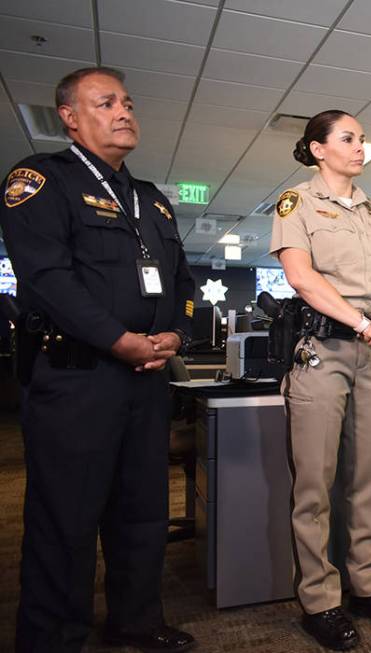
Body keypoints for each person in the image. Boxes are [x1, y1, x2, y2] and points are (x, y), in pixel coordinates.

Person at [0, 67, 196, 652]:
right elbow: (50, 280)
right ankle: (54, 637)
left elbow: (183, 281)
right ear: (69, 115)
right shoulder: (40, 180)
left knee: (142, 511)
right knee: (67, 518)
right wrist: (118, 339)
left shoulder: (151, 200)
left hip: (146, 378)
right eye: (106, 101)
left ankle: (135, 619)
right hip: (77, 376)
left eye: (128, 102)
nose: (124, 111)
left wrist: (176, 336)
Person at [270, 110, 371, 651]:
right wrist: (361, 323)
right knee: (315, 484)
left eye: (361, 139)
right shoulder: (298, 203)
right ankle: (318, 599)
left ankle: (370, 585)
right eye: (347, 139)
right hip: (324, 351)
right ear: (317, 149)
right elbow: (300, 276)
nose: (359, 147)